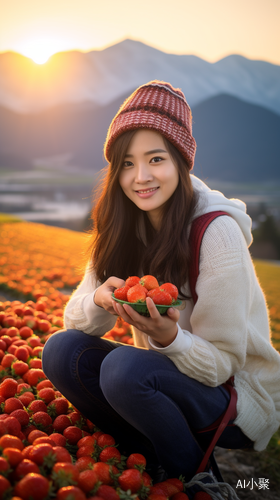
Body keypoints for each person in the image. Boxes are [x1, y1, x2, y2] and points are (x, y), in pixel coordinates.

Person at [42, 81, 280, 490]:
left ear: (181, 163)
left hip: (235, 398)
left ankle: (198, 481)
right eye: (128, 163)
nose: (141, 177)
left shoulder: (214, 232)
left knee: (123, 369)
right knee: (63, 350)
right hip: (165, 379)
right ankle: (151, 456)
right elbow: (77, 318)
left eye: (156, 159)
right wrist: (99, 298)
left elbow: (223, 364)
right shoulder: (123, 224)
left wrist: (169, 337)